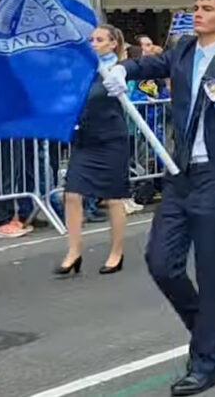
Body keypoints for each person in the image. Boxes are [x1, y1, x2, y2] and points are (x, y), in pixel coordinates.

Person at [103, 0, 215, 396]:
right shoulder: (184, 50)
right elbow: (150, 66)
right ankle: (206, 323)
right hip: (180, 174)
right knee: (160, 261)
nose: (198, 13)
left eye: (207, 8)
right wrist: (122, 68)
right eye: (195, 7)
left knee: (212, 271)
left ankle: (205, 363)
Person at [56, 24, 132, 276]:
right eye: (91, 39)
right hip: (85, 139)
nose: (93, 43)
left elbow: (127, 96)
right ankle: (73, 251)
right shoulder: (81, 71)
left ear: (113, 44)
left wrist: (120, 82)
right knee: (72, 194)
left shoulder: (117, 70)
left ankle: (117, 251)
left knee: (113, 198)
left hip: (111, 139)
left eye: (99, 40)